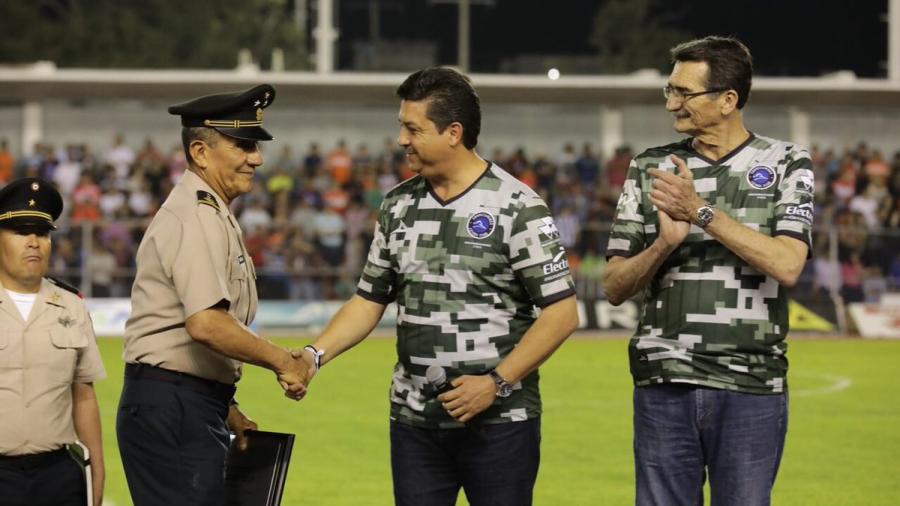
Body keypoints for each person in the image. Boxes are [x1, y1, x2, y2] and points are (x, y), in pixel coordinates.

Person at [297, 67, 579, 506]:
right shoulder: (398, 205)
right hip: (415, 421)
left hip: (501, 422)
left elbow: (562, 312)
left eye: (413, 128)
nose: (401, 140)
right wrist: (315, 356)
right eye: (401, 127)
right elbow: (369, 300)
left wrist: (496, 383)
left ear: (453, 132)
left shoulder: (518, 207)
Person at [603, 36, 814, 506]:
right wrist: (662, 244)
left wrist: (699, 211)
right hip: (664, 383)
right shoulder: (650, 167)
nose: (671, 104)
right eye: (669, 90)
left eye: (684, 93)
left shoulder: (785, 163)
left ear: (727, 100)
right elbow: (614, 285)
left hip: (750, 386)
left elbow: (788, 264)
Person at [117, 84, 309, 506]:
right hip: (174, 406)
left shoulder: (211, 210)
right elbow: (205, 324)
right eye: (242, 145)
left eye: (255, 146)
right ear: (201, 153)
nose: (256, 158)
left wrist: (227, 408)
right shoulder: (197, 214)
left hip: (186, 403)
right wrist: (283, 361)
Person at [0, 177, 106, 506]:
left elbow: (83, 396)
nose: (34, 242)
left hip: (58, 476)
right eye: (20, 232)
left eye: (42, 233)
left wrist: (97, 473)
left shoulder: (72, 306)